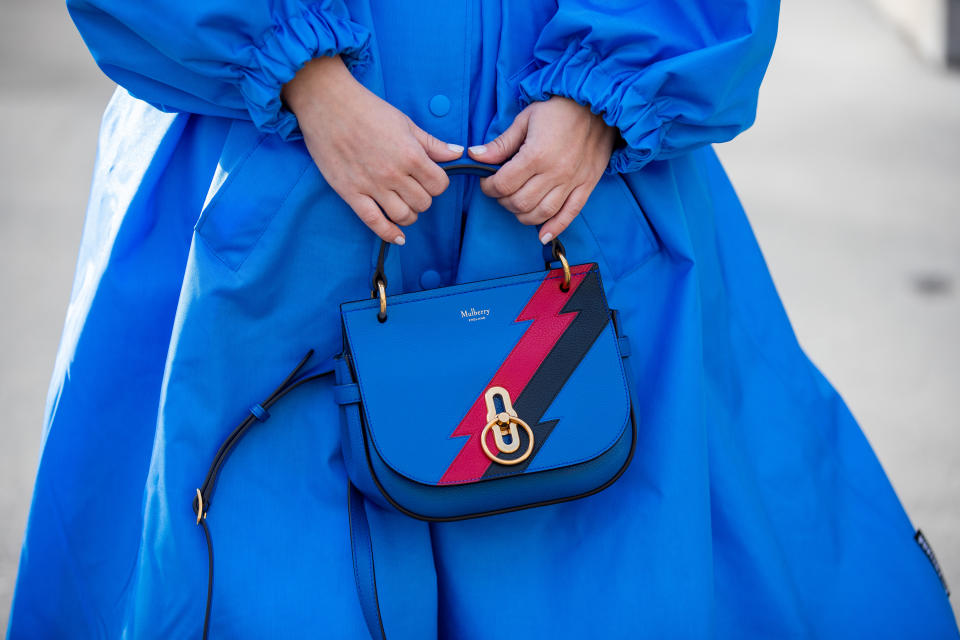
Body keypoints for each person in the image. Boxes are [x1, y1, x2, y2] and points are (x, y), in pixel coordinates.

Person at [8, 1, 958, 638]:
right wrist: (308, 82)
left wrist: (606, 91)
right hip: (273, 172)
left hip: (569, 178)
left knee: (601, 566)